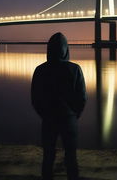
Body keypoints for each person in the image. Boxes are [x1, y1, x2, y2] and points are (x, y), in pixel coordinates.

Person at [31, 32, 87, 180]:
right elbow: (82, 97)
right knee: (71, 156)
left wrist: (44, 114)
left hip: (49, 119)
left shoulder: (40, 70)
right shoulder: (75, 69)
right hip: (69, 119)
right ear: (66, 50)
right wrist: (74, 114)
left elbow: (35, 98)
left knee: (48, 156)